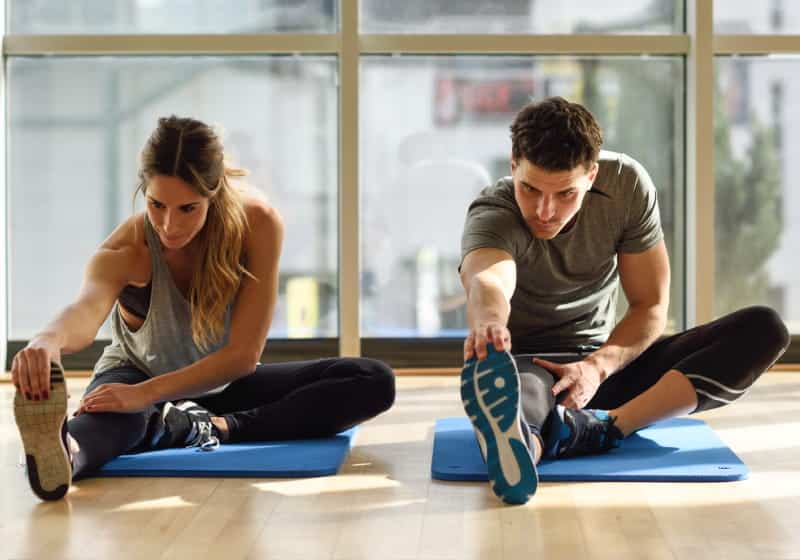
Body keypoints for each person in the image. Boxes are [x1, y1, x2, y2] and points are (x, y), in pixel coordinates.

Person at [12, 116, 396, 501]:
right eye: (156, 205)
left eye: (188, 208)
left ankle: (209, 426)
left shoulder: (257, 224)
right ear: (144, 191)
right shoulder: (127, 249)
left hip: (221, 382)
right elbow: (85, 310)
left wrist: (149, 395)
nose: (169, 225)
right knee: (116, 420)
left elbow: (242, 357)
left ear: (213, 193)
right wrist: (47, 340)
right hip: (135, 375)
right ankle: (66, 455)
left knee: (372, 380)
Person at [459, 97, 790, 505]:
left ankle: (606, 426)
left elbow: (650, 305)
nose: (545, 211)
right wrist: (490, 324)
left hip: (609, 365)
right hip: (530, 369)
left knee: (763, 329)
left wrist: (596, 368)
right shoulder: (494, 211)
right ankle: (525, 446)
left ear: (592, 175)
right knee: (516, 404)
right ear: (513, 166)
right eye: (530, 189)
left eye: (565, 193)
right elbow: (490, 279)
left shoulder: (626, 187)